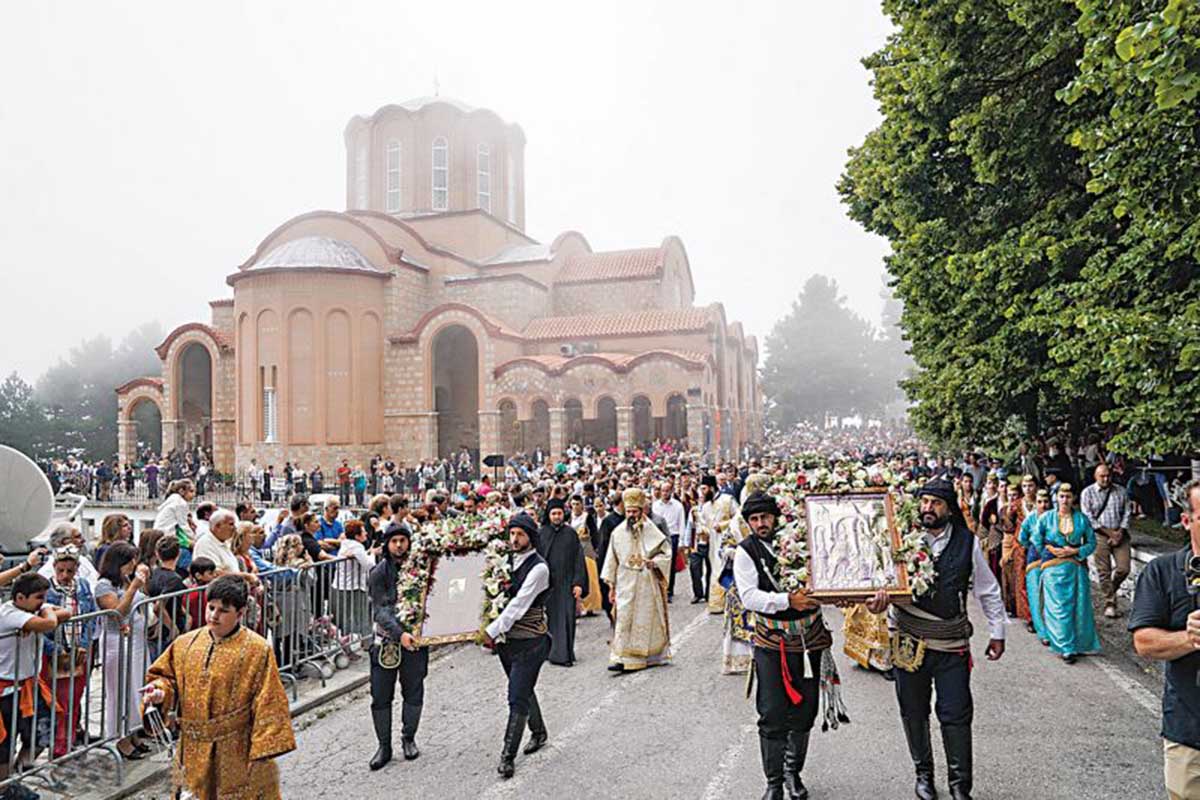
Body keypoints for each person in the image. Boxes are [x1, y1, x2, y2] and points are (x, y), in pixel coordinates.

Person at [866, 477, 1006, 800]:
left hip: (950, 643)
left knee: (956, 712)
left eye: (936, 503)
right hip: (907, 640)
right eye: (924, 501)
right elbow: (879, 580)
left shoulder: (967, 542)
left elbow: (987, 589)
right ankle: (923, 775)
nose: (928, 508)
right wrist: (877, 600)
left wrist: (997, 631)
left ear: (949, 508)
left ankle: (960, 785)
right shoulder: (899, 537)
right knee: (913, 710)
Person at [141, 575, 296, 800]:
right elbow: (164, 677)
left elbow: (269, 700)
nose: (214, 615)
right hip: (192, 749)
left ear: (240, 613)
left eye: (223, 611)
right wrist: (159, 693)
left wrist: (261, 753)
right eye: (211, 607)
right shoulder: (185, 643)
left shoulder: (257, 650)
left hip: (236, 748)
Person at [735, 492, 835, 800]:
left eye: (765, 517)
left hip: (808, 642)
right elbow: (748, 596)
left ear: (775, 517)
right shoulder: (746, 551)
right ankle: (774, 783)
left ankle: (793, 772)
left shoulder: (801, 538)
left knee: (805, 710)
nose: (760, 524)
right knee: (772, 712)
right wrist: (787, 600)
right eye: (754, 519)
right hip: (772, 644)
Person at [1130, 479, 1200, 800]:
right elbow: (1144, 642)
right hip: (1190, 733)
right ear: (1186, 520)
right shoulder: (1163, 571)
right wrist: (1190, 638)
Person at [480, 513, 552, 779]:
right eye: (512, 534)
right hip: (507, 642)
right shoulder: (504, 561)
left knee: (516, 696)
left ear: (530, 537)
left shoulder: (539, 568)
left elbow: (518, 605)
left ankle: (507, 756)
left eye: (520, 534)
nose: (514, 539)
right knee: (521, 687)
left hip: (531, 641)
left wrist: (490, 631)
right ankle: (539, 731)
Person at [0, 572, 70, 800]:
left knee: (44, 730)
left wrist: (42, 610)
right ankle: (5, 788)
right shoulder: (8, 614)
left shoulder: (33, 610)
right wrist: (44, 614)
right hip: (6, 690)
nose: (43, 601)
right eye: (39, 597)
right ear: (20, 597)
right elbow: (50, 622)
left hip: (29, 686)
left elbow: (67, 613)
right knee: (4, 743)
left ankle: (15, 775)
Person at [367, 523, 428, 770]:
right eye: (394, 541)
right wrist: (399, 633)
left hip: (415, 641)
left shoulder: (421, 569)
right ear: (387, 544)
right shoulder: (378, 573)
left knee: (414, 690)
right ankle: (384, 746)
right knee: (381, 694)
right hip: (387, 642)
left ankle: (408, 738)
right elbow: (380, 610)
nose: (399, 545)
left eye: (403, 540)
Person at [601, 487, 672, 673]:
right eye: (628, 511)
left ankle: (648, 657)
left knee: (646, 621)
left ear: (641, 511)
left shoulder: (652, 530)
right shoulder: (617, 533)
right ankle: (620, 658)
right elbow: (611, 560)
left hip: (646, 582)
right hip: (625, 582)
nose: (631, 515)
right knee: (623, 620)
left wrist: (655, 563)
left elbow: (666, 553)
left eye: (634, 511)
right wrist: (611, 586)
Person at [93, 542, 153, 760]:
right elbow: (117, 612)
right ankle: (120, 738)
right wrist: (134, 586)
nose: (133, 564)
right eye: (129, 561)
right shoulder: (104, 585)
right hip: (117, 643)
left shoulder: (126, 579)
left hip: (136, 641)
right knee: (121, 690)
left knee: (137, 686)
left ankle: (134, 731)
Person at [1031, 483, 1101, 664]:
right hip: (1052, 568)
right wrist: (1049, 550)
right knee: (1058, 608)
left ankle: (1077, 644)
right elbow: (1036, 538)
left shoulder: (1082, 519)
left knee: (1077, 606)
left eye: (1068, 497)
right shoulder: (1046, 518)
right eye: (1061, 496)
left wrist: (1075, 551)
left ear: (1073, 498)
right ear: (1056, 498)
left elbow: (1092, 543)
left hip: (1075, 567)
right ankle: (1065, 647)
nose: (1064, 500)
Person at [42, 547, 97, 759]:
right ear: (54, 568)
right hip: (55, 650)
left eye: (70, 571)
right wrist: (55, 649)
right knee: (57, 700)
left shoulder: (82, 586)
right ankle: (56, 743)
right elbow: (42, 625)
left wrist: (84, 644)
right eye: (61, 570)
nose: (65, 575)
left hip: (77, 650)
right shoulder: (47, 589)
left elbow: (90, 616)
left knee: (74, 698)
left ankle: (68, 740)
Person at [536, 498, 586, 667]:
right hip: (548, 585)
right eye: (553, 513)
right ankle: (551, 652)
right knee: (549, 619)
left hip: (566, 584)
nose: (557, 516)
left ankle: (564, 655)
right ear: (548, 515)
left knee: (566, 619)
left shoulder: (570, 534)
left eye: (559, 513)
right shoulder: (542, 534)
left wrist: (578, 583)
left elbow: (579, 559)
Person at [1081, 464, 1132, 618]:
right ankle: (1110, 602)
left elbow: (1127, 512)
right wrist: (1110, 533)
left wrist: (1120, 532)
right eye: (1102, 476)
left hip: (1120, 533)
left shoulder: (1121, 491)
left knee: (1124, 568)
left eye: (1108, 475)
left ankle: (1111, 589)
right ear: (1095, 476)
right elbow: (1088, 517)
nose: (1105, 479)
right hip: (1099, 534)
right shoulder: (1088, 493)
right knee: (1104, 571)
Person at [1018, 489, 1053, 644]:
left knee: (1051, 595)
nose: (1043, 505)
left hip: (1052, 557)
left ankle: (1054, 629)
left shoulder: (1054, 517)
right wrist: (1032, 547)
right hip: (1034, 557)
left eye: (1046, 502)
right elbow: (1022, 538)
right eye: (1039, 502)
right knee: (1035, 595)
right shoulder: (1031, 518)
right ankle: (1042, 632)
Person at [651, 480, 686, 601]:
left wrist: (681, 541)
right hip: (659, 536)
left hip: (673, 536)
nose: (665, 493)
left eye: (667, 491)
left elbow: (681, 523)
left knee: (670, 564)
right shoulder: (655, 506)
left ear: (671, 491)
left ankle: (669, 590)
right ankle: (660, 588)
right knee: (658, 562)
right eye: (663, 491)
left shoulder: (678, 506)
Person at [568, 495, 602, 617]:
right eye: (573, 504)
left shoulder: (587, 517)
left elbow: (594, 534)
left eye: (577, 504)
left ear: (582, 505)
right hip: (573, 550)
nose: (575, 507)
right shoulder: (568, 518)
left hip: (587, 550)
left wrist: (596, 548)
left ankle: (590, 606)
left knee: (591, 578)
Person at [153, 479, 197, 574]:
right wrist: (195, 538)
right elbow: (184, 525)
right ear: (181, 491)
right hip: (169, 535)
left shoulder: (172, 500)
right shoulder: (181, 503)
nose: (194, 495)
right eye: (191, 491)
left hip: (163, 534)